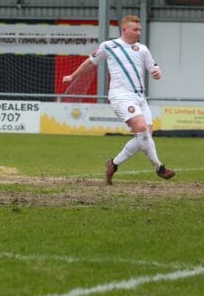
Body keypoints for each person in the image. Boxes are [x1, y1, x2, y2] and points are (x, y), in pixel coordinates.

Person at [62, 15, 175, 185]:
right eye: (135, 29)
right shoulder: (109, 46)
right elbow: (91, 62)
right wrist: (72, 76)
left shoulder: (142, 49)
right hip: (121, 96)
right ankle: (160, 168)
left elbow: (153, 67)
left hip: (140, 98)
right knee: (142, 128)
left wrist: (157, 72)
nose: (138, 32)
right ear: (124, 29)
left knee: (145, 136)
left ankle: (113, 164)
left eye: (139, 29)